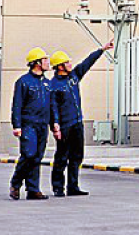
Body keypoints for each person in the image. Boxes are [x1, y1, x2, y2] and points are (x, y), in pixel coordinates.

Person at [49, 41, 113, 197]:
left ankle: (73, 186)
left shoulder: (74, 76)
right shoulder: (54, 85)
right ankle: (58, 187)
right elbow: (53, 107)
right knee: (62, 156)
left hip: (77, 123)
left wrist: (101, 50)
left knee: (77, 156)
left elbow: (87, 63)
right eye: (67, 62)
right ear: (60, 66)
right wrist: (55, 125)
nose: (70, 64)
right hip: (64, 126)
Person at [10, 47, 58, 200]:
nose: (48, 62)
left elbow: (52, 105)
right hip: (28, 124)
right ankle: (16, 183)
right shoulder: (23, 82)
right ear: (36, 63)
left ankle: (33, 189)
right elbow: (17, 105)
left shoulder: (47, 83)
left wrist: (55, 123)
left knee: (37, 157)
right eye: (45, 60)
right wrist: (17, 125)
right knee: (29, 154)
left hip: (42, 125)